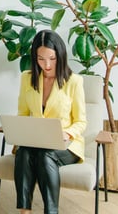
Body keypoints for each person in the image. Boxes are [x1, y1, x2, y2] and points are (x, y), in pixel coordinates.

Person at [14, 30, 87, 214]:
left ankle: (51, 212)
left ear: (60, 56)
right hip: (37, 140)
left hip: (67, 144)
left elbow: (81, 121)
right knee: (23, 152)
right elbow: (22, 113)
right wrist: (20, 133)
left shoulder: (74, 82)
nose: (46, 65)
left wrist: (67, 133)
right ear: (35, 57)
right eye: (41, 59)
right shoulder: (27, 78)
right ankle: (24, 211)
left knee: (46, 155)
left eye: (52, 59)